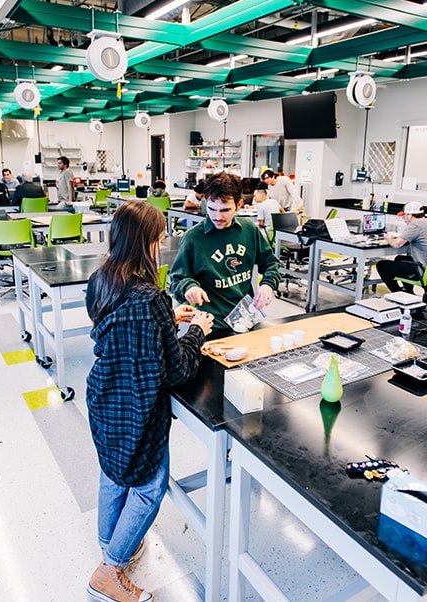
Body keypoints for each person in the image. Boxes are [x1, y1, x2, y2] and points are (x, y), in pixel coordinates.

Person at [85, 199, 214, 602]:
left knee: (113, 473)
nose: (162, 245)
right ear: (147, 242)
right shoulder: (150, 297)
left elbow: (122, 331)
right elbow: (173, 371)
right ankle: (109, 572)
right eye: (159, 239)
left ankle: (112, 544)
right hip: (138, 410)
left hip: (105, 398)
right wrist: (195, 331)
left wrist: (167, 321)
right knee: (148, 487)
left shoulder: (101, 280)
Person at [170, 172, 282, 335]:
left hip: (246, 319)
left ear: (239, 204)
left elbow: (271, 263)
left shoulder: (249, 230)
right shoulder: (193, 238)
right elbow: (177, 279)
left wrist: (267, 285)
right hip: (210, 325)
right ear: (205, 202)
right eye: (211, 209)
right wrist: (189, 287)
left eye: (225, 210)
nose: (218, 217)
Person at [375, 201, 427, 293]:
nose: (404, 219)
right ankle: (408, 292)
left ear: (410, 215)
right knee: (399, 258)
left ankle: (397, 294)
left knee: (382, 265)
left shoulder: (416, 224)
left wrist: (388, 238)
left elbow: (397, 244)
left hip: (423, 271)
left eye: (404, 216)